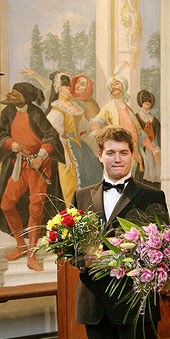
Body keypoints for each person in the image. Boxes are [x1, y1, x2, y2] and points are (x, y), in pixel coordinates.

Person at [72, 125, 168, 339]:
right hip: (94, 298)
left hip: (134, 299)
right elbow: (70, 246)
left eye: (123, 153)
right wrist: (85, 259)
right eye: (110, 152)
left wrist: (125, 259)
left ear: (133, 156)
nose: (117, 158)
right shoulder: (81, 196)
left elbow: (161, 247)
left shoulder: (152, 196)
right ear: (100, 155)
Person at [0, 82, 64, 271]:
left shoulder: (36, 113)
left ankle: (32, 254)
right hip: (19, 164)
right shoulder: (8, 112)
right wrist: (13, 145)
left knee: (35, 210)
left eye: (17, 94)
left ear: (25, 97)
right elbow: (1, 133)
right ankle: (21, 245)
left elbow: (51, 137)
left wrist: (41, 156)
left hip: (38, 166)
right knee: (6, 204)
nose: (12, 97)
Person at [90, 65, 161, 186]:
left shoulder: (130, 110)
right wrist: (96, 125)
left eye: (117, 84)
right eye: (112, 85)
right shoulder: (109, 107)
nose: (114, 87)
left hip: (133, 155)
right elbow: (98, 120)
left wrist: (153, 150)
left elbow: (140, 134)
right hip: (117, 153)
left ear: (123, 86)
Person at [47, 75, 102, 203]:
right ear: (59, 88)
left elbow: (84, 129)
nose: (69, 88)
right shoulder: (57, 109)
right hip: (65, 150)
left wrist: (93, 130)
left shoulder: (75, 106)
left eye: (68, 85)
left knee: (93, 176)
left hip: (81, 149)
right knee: (71, 184)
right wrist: (64, 150)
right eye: (65, 85)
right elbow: (53, 134)